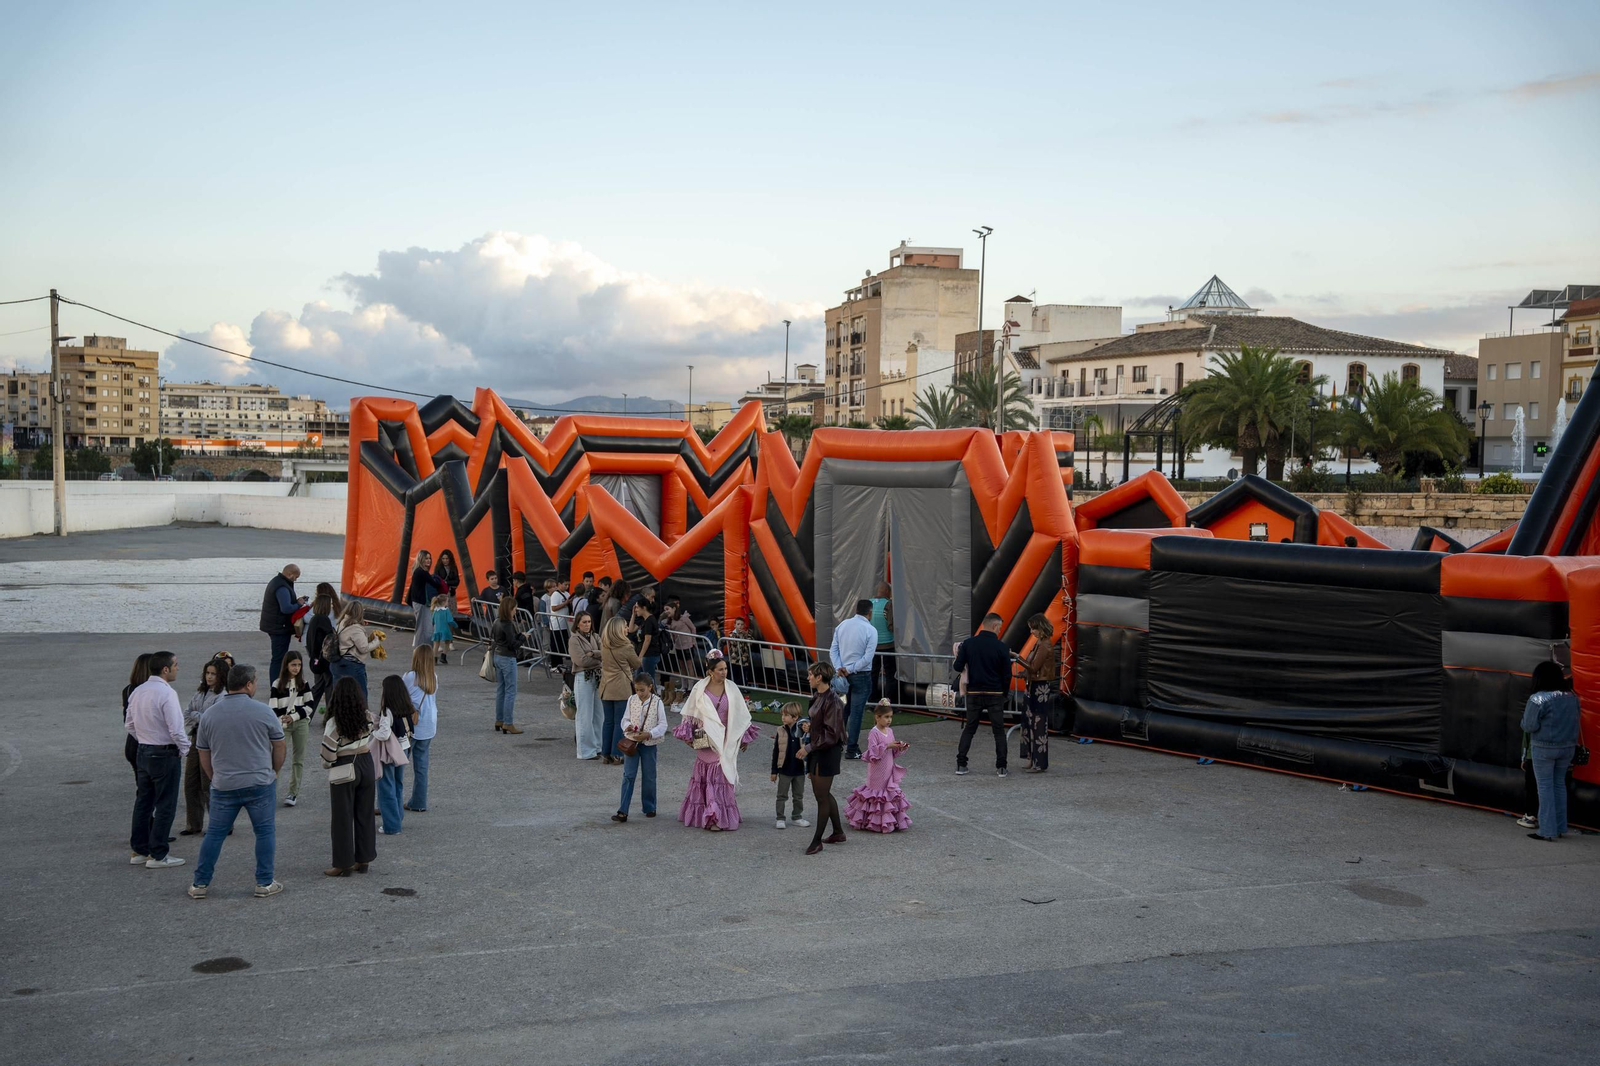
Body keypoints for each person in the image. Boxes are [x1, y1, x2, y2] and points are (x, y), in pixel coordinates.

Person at [187, 664, 286, 900]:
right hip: (259, 782)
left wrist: (214, 777)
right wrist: (273, 771)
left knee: (215, 834)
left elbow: (203, 752)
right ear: (249, 684)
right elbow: (279, 745)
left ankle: (200, 883)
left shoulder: (210, 714)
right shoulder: (263, 711)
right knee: (264, 832)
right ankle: (264, 882)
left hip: (224, 784)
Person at [673, 650, 761, 831]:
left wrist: (743, 738)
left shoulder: (732, 688)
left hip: (726, 739)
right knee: (710, 774)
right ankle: (711, 816)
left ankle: (717, 815)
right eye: (720, 669)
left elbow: (742, 715)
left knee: (721, 774)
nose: (724, 672)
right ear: (710, 671)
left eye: (725, 669)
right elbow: (690, 713)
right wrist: (688, 736)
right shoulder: (699, 688)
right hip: (706, 739)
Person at [126, 651, 188, 869]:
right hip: (164, 753)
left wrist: (144, 739)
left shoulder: (138, 691)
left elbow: (129, 724)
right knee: (165, 804)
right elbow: (176, 729)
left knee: (143, 802)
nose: (177, 668)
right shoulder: (167, 693)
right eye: (175, 665)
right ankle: (158, 854)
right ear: (165, 669)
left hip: (143, 750)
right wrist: (185, 749)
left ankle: (139, 850)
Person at [322, 677, 376, 876]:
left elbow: (328, 753)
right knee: (365, 813)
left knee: (342, 817)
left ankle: (343, 864)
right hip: (366, 762)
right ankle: (364, 859)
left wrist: (328, 764)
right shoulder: (368, 716)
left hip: (344, 766)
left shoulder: (334, 723)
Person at [1521, 661, 1581, 842]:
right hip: (1567, 747)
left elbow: (1529, 725)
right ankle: (1561, 827)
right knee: (1559, 785)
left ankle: (1547, 830)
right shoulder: (1572, 696)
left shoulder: (1537, 698)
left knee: (1544, 787)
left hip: (1544, 748)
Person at [955, 613, 1013, 778]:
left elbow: (958, 666)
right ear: (995, 626)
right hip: (995, 693)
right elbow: (1007, 675)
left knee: (970, 728)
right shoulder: (1002, 647)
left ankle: (961, 764)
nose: (1000, 631)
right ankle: (1001, 767)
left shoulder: (968, 644)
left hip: (974, 692)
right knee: (999, 731)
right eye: (1000, 627)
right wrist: (1004, 692)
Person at [800, 661, 848, 855]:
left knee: (821, 796)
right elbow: (821, 724)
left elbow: (832, 735)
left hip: (826, 751)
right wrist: (810, 727)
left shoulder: (833, 701)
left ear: (819, 677)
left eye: (811, 675)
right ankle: (837, 832)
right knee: (824, 794)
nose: (808, 677)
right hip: (819, 749)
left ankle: (817, 840)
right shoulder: (818, 696)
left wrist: (808, 748)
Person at [846, 701, 912, 833]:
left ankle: (889, 819)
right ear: (877, 717)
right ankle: (873, 821)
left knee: (888, 793)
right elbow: (872, 751)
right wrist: (888, 746)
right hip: (877, 770)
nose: (889, 720)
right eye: (886, 717)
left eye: (891, 717)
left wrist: (900, 747)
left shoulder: (890, 731)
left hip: (888, 768)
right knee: (877, 794)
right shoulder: (873, 733)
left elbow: (893, 753)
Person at [612, 670, 669, 822]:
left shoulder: (657, 702)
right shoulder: (631, 700)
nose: (639, 693)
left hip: (649, 744)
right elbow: (624, 719)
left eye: (642, 690)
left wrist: (649, 734)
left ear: (650, 687)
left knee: (649, 776)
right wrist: (628, 726)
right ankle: (623, 810)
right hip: (632, 742)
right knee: (628, 775)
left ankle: (650, 806)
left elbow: (663, 724)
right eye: (637, 690)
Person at [180, 658, 226, 835]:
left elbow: (212, 719)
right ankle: (193, 824)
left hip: (211, 741)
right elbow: (186, 714)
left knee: (208, 783)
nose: (209, 677)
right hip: (195, 737)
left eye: (213, 674)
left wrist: (197, 716)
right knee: (191, 782)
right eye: (207, 673)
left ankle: (220, 824)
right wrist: (201, 716)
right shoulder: (200, 693)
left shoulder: (222, 695)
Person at [830, 599, 879, 760]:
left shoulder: (842, 625)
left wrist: (840, 668)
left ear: (856, 609)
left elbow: (834, 650)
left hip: (843, 673)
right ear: (870, 612)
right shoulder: (870, 630)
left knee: (847, 708)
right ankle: (852, 748)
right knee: (856, 712)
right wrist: (849, 669)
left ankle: (837, 743)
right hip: (860, 675)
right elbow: (867, 658)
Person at [269, 651, 316, 806]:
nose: (296, 668)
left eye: (299, 665)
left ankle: (293, 793)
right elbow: (273, 707)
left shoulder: (303, 683)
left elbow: (310, 705)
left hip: (300, 723)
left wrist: (294, 717)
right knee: (277, 758)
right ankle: (270, 791)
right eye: (293, 665)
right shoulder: (277, 684)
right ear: (286, 665)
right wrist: (282, 719)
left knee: (298, 759)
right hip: (283, 725)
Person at [374, 675, 414, 835]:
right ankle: (397, 817)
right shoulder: (406, 707)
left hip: (390, 751)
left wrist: (372, 732)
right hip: (404, 748)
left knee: (385, 787)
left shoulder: (387, 710)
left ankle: (391, 825)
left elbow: (384, 734)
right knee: (397, 784)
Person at [1018, 615, 1058, 774]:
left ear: (1040, 628)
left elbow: (1033, 667)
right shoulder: (1040, 643)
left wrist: (1017, 658)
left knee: (1037, 723)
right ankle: (1032, 758)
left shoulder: (1044, 645)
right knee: (1029, 722)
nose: (1031, 631)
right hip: (1034, 684)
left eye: (1033, 628)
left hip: (1039, 686)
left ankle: (1038, 762)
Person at [599, 615, 642, 763]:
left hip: (605, 686)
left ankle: (605, 753)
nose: (626, 629)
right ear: (618, 629)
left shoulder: (604, 645)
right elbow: (636, 664)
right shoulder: (626, 646)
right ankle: (617, 753)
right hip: (621, 687)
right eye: (624, 626)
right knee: (619, 722)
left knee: (608, 721)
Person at [402, 648, 438, 812]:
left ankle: (393, 801)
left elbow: (402, 698)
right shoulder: (434, 678)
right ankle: (419, 802)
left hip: (412, 726)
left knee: (399, 765)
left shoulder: (410, 677)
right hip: (428, 726)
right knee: (421, 767)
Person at [259, 563, 305, 684]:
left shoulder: (277, 582)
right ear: (289, 574)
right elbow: (286, 608)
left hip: (274, 626)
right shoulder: (282, 587)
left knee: (278, 658)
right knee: (278, 659)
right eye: (295, 577)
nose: (296, 580)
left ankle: (278, 683)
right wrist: (299, 604)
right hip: (279, 628)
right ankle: (275, 685)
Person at [569, 612, 604, 760]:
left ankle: (598, 746)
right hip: (583, 676)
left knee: (599, 713)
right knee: (585, 714)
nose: (587, 624)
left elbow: (605, 653)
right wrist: (598, 658)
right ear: (578, 623)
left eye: (589, 621)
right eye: (584, 622)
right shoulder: (574, 640)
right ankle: (585, 750)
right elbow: (581, 661)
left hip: (597, 676)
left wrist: (593, 653)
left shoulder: (595, 636)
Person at [770, 702, 811, 831]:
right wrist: (774, 771)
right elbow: (776, 751)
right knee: (781, 795)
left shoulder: (804, 732)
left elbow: (810, 750)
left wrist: (809, 769)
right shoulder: (780, 730)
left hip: (799, 770)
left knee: (798, 795)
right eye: (782, 714)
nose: (783, 717)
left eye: (786, 715)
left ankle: (797, 816)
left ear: (795, 717)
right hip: (784, 770)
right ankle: (780, 818)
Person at [491, 595, 523, 734]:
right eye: (515, 609)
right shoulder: (507, 624)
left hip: (497, 655)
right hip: (507, 658)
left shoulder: (497, 621)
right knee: (511, 691)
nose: (516, 611)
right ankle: (508, 722)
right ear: (509, 609)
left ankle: (499, 719)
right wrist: (522, 638)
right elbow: (513, 644)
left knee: (501, 690)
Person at [330, 600, 374, 700]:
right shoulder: (355, 628)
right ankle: (361, 715)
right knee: (360, 695)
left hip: (337, 662)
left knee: (339, 695)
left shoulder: (340, 623)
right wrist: (376, 642)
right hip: (352, 664)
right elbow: (364, 648)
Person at [303, 594, 338, 710]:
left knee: (320, 685)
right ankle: (329, 714)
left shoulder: (314, 619)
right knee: (328, 685)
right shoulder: (324, 620)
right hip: (324, 659)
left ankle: (307, 712)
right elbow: (330, 639)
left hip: (316, 657)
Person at [407, 550, 445, 652]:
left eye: (429, 558)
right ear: (421, 559)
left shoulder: (419, 571)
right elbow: (434, 583)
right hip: (421, 603)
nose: (428, 560)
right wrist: (439, 580)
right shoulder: (421, 572)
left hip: (420, 602)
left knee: (426, 627)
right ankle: (420, 649)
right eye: (426, 558)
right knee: (423, 627)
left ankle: (424, 649)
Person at [123, 652, 154, 772]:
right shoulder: (151, 691)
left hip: (132, 742)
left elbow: (127, 719)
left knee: (142, 784)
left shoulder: (129, 689)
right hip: (146, 743)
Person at [868, 582, 897, 703]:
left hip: (872, 647)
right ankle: (889, 703)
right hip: (888, 645)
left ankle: (872, 702)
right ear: (887, 592)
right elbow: (891, 626)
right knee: (890, 675)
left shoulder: (869, 604)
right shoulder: (888, 605)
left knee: (872, 675)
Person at [635, 598, 661, 683]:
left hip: (648, 654)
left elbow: (647, 640)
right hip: (646, 654)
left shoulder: (649, 621)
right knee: (640, 678)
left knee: (648, 679)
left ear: (644, 608)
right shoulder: (646, 620)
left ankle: (653, 695)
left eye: (637, 607)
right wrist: (633, 615)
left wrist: (641, 656)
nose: (636, 610)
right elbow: (631, 629)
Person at [548, 578, 571, 659]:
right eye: (565, 584)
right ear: (560, 584)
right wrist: (565, 603)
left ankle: (562, 661)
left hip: (565, 624)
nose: (567, 586)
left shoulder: (567, 594)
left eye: (568, 585)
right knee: (555, 645)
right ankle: (555, 663)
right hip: (556, 625)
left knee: (563, 643)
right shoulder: (555, 594)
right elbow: (553, 608)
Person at [430, 593, 455, 664]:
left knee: (436, 644)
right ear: (444, 602)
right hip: (445, 629)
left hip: (437, 630)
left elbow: (432, 620)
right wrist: (455, 625)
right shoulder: (446, 610)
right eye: (447, 601)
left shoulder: (435, 610)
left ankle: (434, 659)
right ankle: (443, 656)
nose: (448, 603)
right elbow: (450, 620)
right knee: (447, 642)